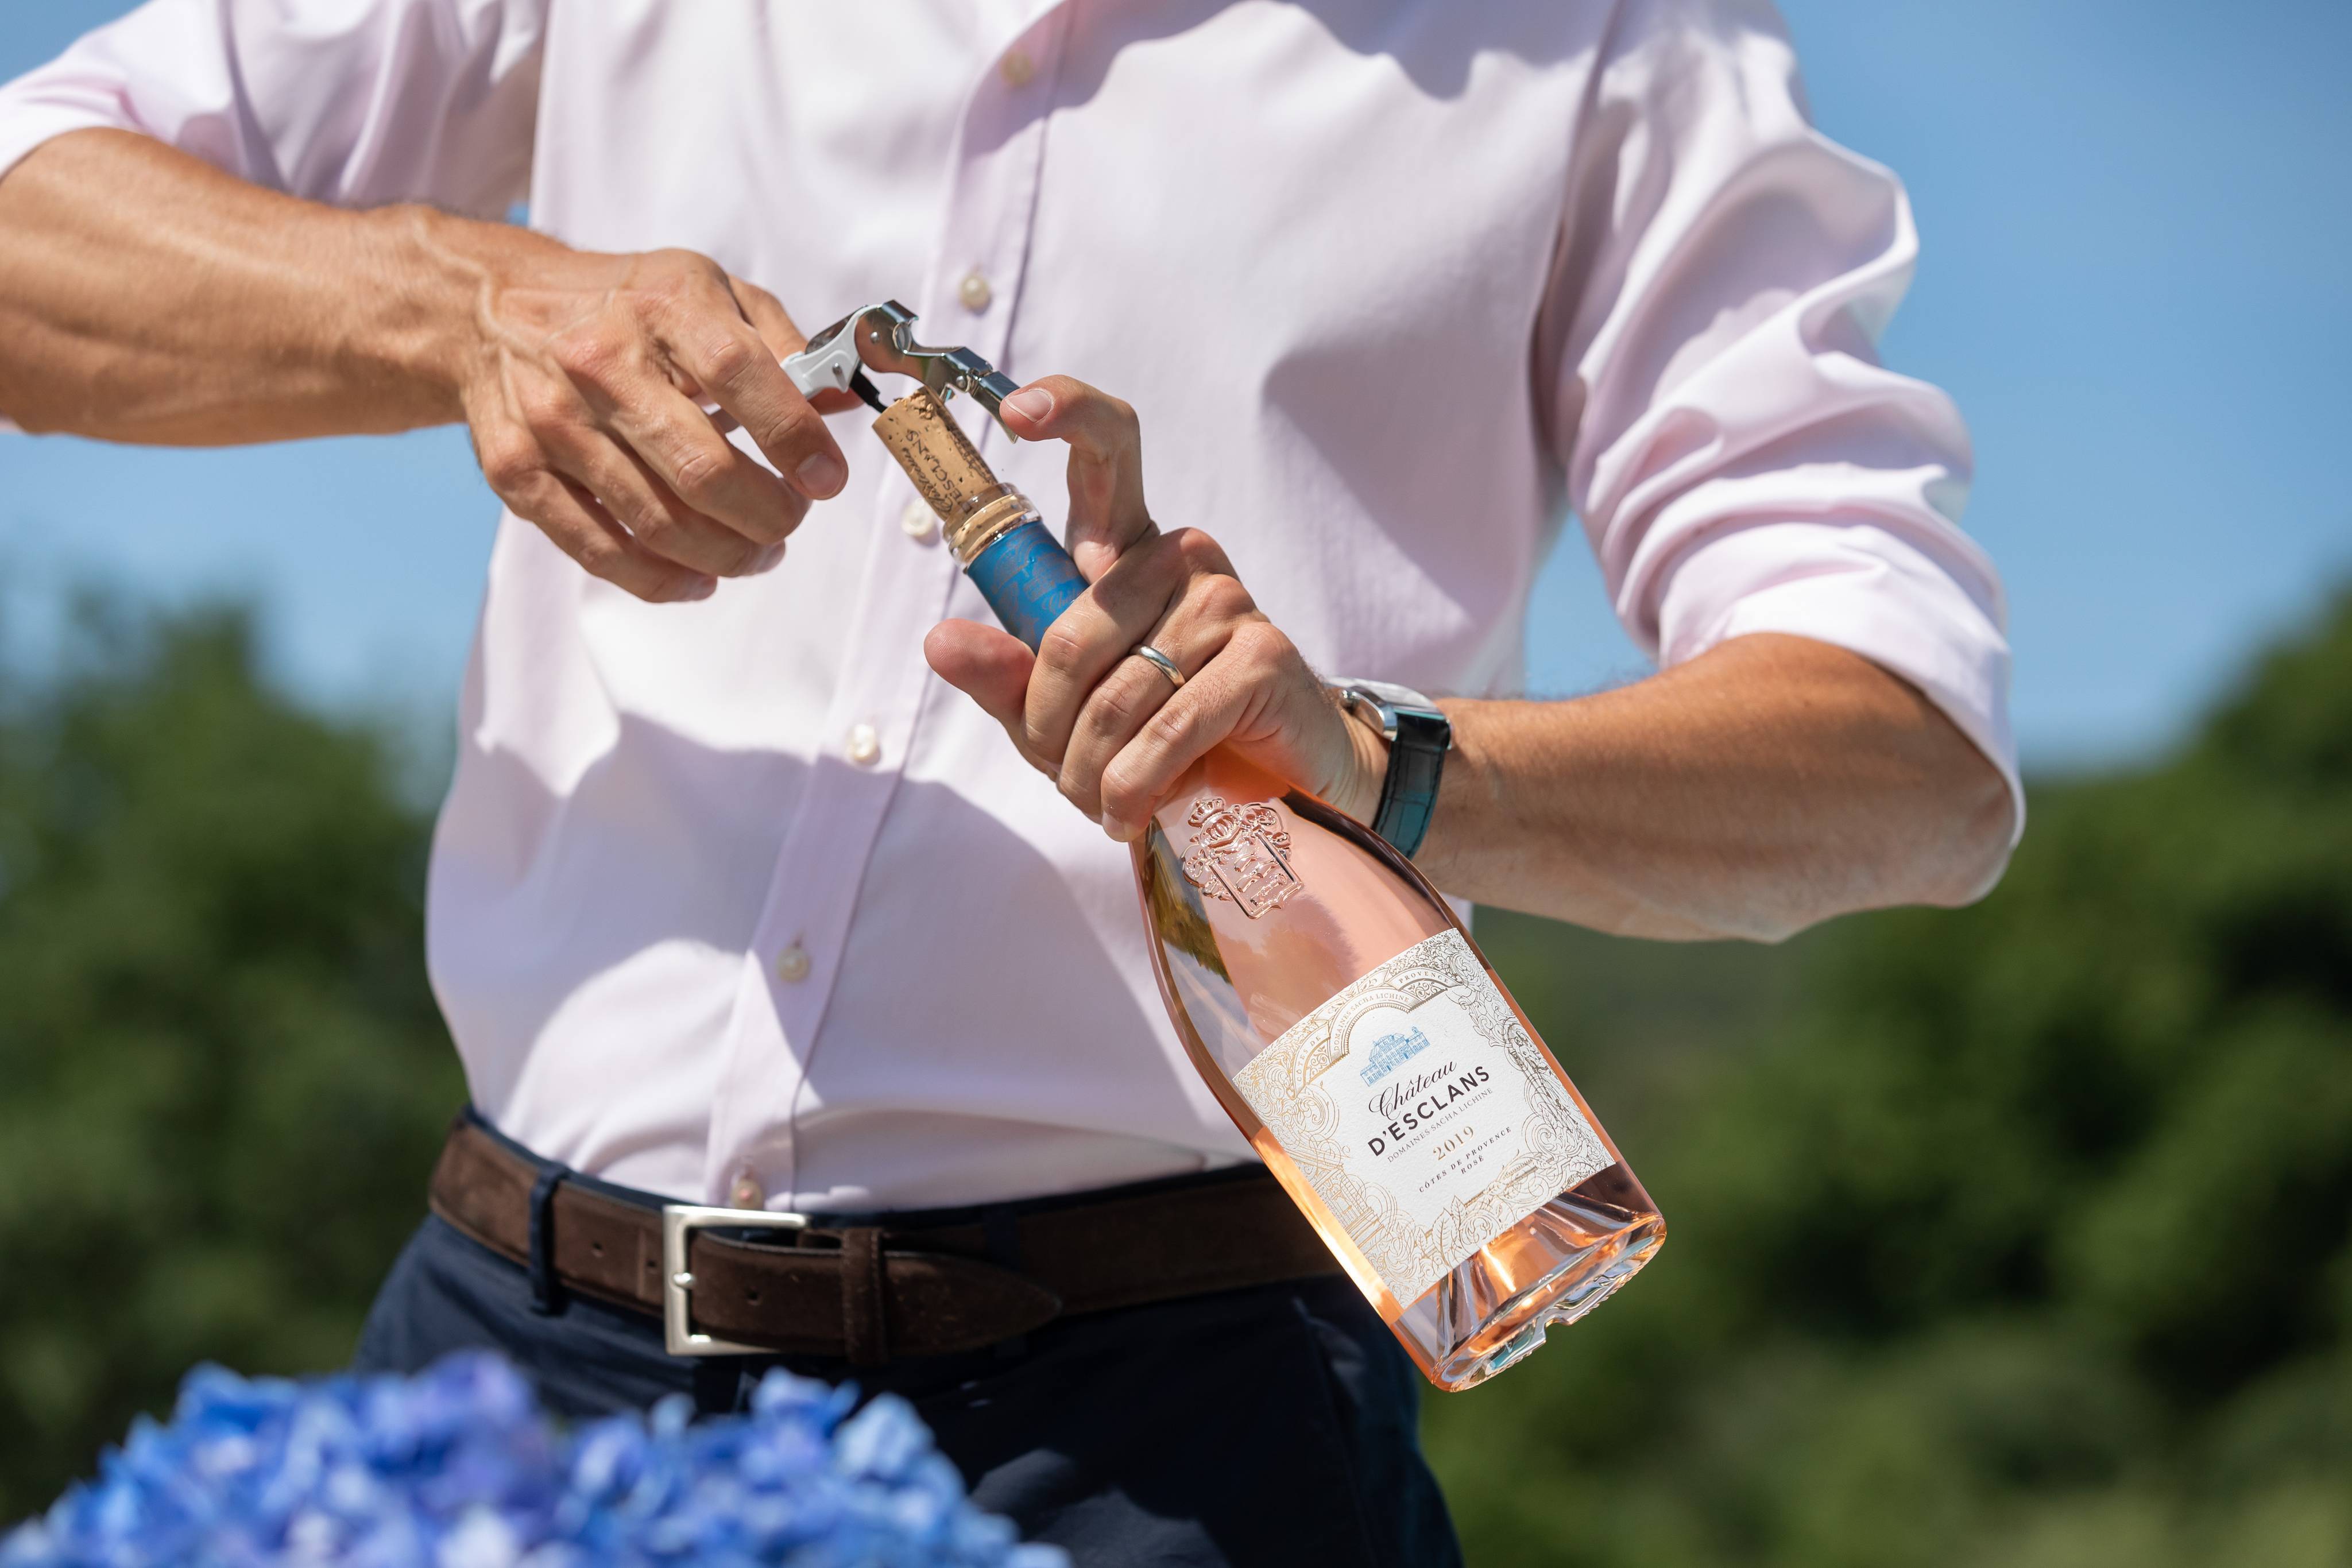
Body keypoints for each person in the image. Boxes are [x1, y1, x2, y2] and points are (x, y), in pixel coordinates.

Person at [0, 3, 2019, 1563]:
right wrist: (465, 304)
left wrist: (1373, 761)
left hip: (1165, 1457)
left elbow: (1912, 762)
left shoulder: (1608, 47)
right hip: (497, 1381)